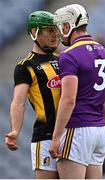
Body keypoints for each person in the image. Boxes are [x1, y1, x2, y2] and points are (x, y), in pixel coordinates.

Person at [49, 4, 105, 179]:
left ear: (67, 26)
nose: (58, 32)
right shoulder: (104, 52)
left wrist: (56, 137)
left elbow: (69, 100)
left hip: (76, 130)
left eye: (59, 27)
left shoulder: (69, 55)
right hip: (99, 133)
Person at [5, 11, 60, 179]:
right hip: (45, 138)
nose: (54, 35)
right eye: (49, 30)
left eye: (55, 30)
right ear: (34, 32)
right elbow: (18, 102)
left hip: (72, 135)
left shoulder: (64, 61)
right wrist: (15, 130)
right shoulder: (25, 66)